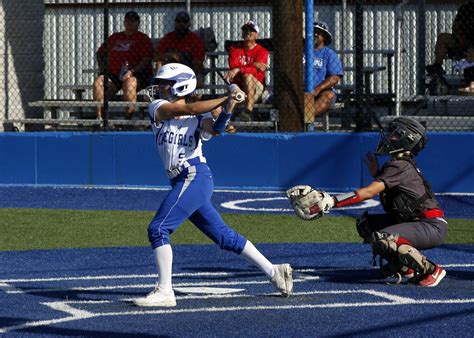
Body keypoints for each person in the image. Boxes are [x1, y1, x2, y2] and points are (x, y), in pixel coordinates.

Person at [132, 63, 293, 307]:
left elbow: (216, 129)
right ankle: (274, 272)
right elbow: (190, 107)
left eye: (167, 83)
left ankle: (165, 290)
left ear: (182, 84)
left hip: (195, 176)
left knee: (158, 229)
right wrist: (226, 97)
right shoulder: (158, 107)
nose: (162, 87)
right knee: (225, 238)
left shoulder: (200, 115)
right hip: (181, 179)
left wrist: (229, 106)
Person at [287, 117, 448, 287]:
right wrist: (377, 174)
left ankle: (431, 269)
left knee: (385, 238)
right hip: (416, 222)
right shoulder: (398, 165)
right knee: (367, 225)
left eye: (394, 134)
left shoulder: (400, 166)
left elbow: (368, 192)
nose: (389, 137)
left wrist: (332, 201)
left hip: (430, 225)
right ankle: (405, 267)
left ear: (407, 139)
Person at [93, 11, 153, 119]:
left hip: (136, 74)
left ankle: (128, 119)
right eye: (128, 20)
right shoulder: (115, 37)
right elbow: (100, 53)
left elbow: (146, 59)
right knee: (99, 82)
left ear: (138, 23)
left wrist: (132, 71)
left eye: (133, 21)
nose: (130, 23)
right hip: (114, 74)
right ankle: (99, 118)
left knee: (129, 84)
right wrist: (102, 69)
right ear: (124, 22)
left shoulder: (143, 38)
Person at [224, 21, 269, 121]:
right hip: (238, 85)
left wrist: (239, 68)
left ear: (256, 35)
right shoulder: (234, 49)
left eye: (251, 30)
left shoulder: (262, 51)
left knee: (248, 76)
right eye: (245, 30)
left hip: (256, 86)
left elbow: (258, 70)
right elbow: (233, 67)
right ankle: (234, 121)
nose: (248, 32)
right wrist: (253, 65)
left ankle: (249, 110)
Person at [426, 2, 474, 86]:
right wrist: (461, 40)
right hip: (463, 41)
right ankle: (437, 66)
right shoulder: (465, 8)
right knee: (443, 38)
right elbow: (455, 27)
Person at [154, 11, 205, 80]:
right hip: (171, 70)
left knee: (198, 78)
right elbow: (155, 56)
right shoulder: (168, 37)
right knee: (159, 63)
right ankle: (158, 86)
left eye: (184, 22)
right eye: (178, 21)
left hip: (189, 70)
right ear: (175, 23)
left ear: (189, 24)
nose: (181, 24)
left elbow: (198, 62)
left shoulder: (195, 39)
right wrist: (170, 55)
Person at [310, 22, 343, 117]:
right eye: (313, 31)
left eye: (319, 32)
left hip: (320, 91)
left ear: (324, 37)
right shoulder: (300, 51)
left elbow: (335, 77)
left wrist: (318, 88)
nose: (315, 34)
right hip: (301, 90)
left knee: (329, 95)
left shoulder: (329, 54)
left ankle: (303, 118)